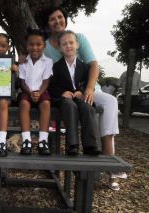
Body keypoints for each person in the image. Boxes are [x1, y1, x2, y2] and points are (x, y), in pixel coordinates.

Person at [43, 7, 124, 190]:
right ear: (47, 24)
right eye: (52, 18)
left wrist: (88, 89)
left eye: (60, 17)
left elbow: (93, 65)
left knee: (110, 102)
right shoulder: (47, 47)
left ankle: (109, 157)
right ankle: (76, 147)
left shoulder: (78, 37)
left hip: (88, 89)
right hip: (66, 96)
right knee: (75, 107)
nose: (57, 21)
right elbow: (48, 74)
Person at [49, 30, 101, 155]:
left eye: (71, 42)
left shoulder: (84, 67)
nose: (68, 46)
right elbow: (52, 85)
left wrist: (81, 91)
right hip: (64, 100)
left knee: (87, 107)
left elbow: (87, 82)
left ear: (77, 45)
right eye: (64, 44)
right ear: (60, 48)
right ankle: (72, 145)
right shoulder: (56, 67)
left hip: (79, 97)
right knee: (70, 105)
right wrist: (62, 92)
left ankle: (91, 145)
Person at [18, 29, 52, 156]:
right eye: (31, 44)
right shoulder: (23, 61)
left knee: (46, 104)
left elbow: (46, 81)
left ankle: (43, 141)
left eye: (38, 44)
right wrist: (30, 92)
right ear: (27, 46)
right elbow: (21, 82)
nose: (34, 47)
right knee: (24, 104)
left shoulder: (48, 61)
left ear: (44, 46)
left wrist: (39, 92)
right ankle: (26, 140)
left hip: (41, 91)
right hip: (26, 91)